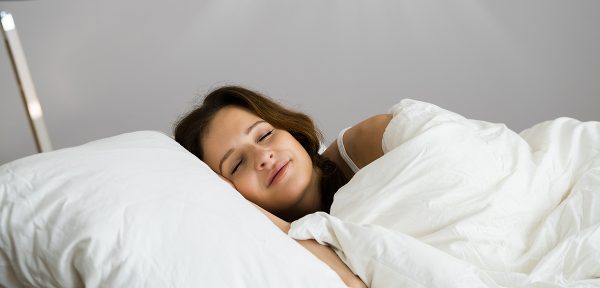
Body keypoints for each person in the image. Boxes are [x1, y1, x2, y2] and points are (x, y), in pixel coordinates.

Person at [174, 85, 391, 288]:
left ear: (290, 131)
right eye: (238, 164)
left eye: (264, 135)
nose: (263, 157)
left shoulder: (371, 144)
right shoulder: (281, 256)